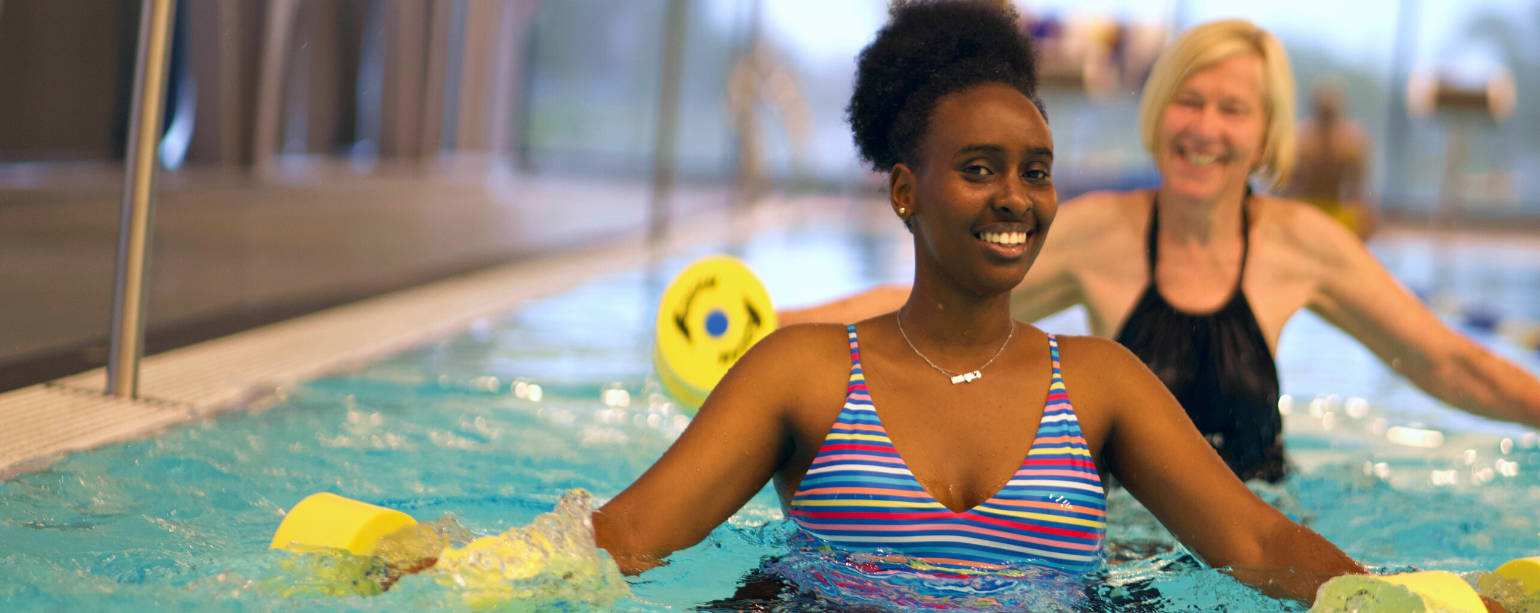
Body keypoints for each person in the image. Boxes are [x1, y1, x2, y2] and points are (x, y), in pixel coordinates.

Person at [591, 2, 1368, 608]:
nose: (1016, 199)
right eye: (978, 168)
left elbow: (1256, 535)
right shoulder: (805, 373)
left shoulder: (1103, 383)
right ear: (905, 191)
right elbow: (629, 534)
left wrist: (1405, 598)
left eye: (1037, 171)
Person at [779, 18, 1540, 483]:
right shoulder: (1101, 231)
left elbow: (1449, 360)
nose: (1203, 127)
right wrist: (776, 323)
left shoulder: (1301, 244)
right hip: (1121, 543)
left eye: (1231, 109)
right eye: (1188, 100)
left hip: (1252, 529)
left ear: (1264, 132)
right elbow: (924, 306)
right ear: (1158, 109)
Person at [1283, 79, 1374, 238]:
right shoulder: (1302, 139)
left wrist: (1365, 216)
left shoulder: (1350, 142)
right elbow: (1287, 185)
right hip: (1306, 208)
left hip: (1335, 211)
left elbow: (1360, 188)